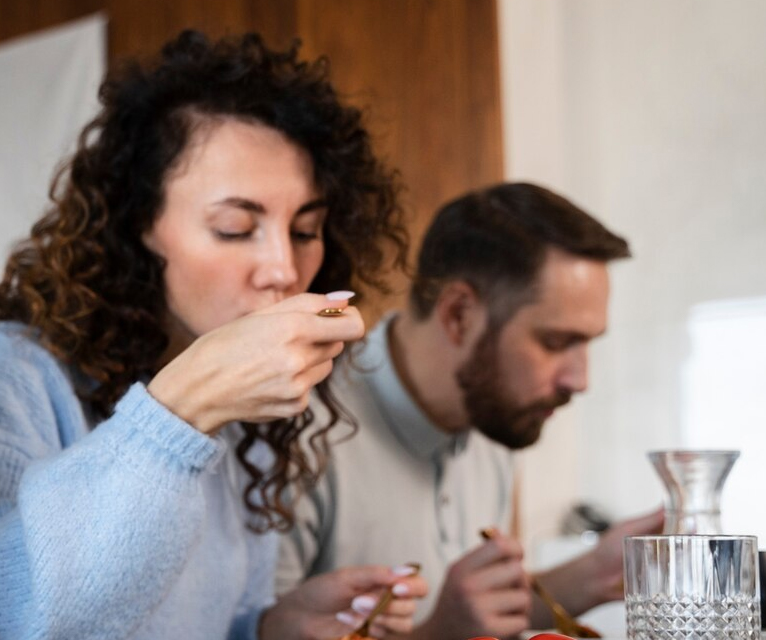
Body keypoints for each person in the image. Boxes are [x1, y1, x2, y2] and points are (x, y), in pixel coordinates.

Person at [0, 31, 426, 640]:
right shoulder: (20, 368)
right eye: (236, 228)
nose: (284, 271)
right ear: (140, 225)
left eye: (306, 229)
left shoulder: (250, 411)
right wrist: (176, 414)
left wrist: (269, 626)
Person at [277, 182, 664, 640]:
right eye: (556, 342)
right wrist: (439, 635)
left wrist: (595, 573)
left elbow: (477, 619)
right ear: (459, 315)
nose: (580, 380)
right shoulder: (295, 427)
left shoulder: (490, 416)